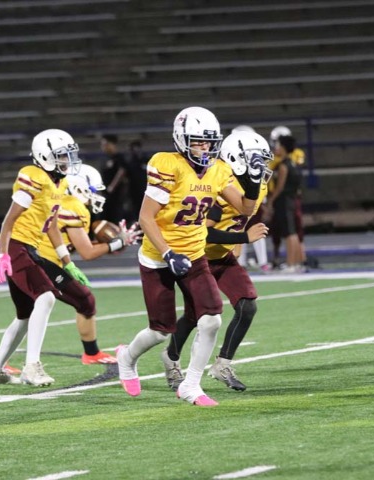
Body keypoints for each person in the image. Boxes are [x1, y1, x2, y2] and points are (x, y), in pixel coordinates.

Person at [116, 106, 262, 407]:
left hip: (194, 252)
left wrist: (253, 181)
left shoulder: (218, 170)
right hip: (158, 256)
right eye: (198, 141)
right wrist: (168, 253)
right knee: (160, 331)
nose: (205, 148)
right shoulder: (167, 164)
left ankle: (191, 385)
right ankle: (127, 358)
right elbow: (146, 217)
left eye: (209, 142)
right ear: (182, 140)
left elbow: (246, 208)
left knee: (212, 319)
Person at [161, 130, 272, 392]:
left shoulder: (258, 187)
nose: (262, 167)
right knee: (194, 315)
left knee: (247, 305)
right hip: (197, 256)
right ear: (237, 160)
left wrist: (236, 245)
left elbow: (241, 218)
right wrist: (243, 238)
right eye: (256, 161)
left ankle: (223, 364)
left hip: (222, 256)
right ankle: (171, 357)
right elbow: (204, 231)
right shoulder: (219, 186)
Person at [0, 129, 88, 387]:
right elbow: (9, 220)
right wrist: (3, 254)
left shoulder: (59, 184)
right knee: (46, 297)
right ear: (45, 156)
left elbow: (51, 225)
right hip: (15, 245)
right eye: (61, 155)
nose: (67, 160)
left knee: (25, 316)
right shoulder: (34, 176)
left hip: (29, 248)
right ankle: (31, 366)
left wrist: (67, 261)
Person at [36, 164, 140, 365]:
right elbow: (87, 253)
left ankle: (0, 362)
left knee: (27, 312)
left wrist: (112, 244)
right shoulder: (75, 208)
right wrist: (117, 243)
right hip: (43, 261)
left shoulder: (61, 202)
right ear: (78, 188)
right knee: (84, 300)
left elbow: (78, 245)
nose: (96, 196)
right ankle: (91, 353)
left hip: (37, 257)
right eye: (93, 191)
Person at [230, 125, 271, 273]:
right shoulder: (224, 180)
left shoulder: (259, 183)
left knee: (254, 230)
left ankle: (256, 261)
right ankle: (240, 262)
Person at [267, 126, 307, 270]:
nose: (276, 148)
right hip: (292, 199)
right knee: (293, 232)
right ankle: (295, 263)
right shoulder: (292, 164)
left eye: (279, 145)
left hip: (284, 201)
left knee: (289, 233)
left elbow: (279, 187)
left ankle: (290, 263)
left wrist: (271, 201)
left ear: (284, 148)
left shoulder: (284, 166)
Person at [99, 134, 128, 223]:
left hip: (115, 196)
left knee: (115, 218)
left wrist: (111, 187)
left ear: (112, 144)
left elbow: (122, 172)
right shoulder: (105, 159)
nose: (103, 147)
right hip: (105, 194)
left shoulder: (119, 158)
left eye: (105, 144)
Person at [125, 140, 149, 224]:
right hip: (134, 191)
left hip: (146, 190)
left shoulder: (147, 160)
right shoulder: (130, 162)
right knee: (136, 210)